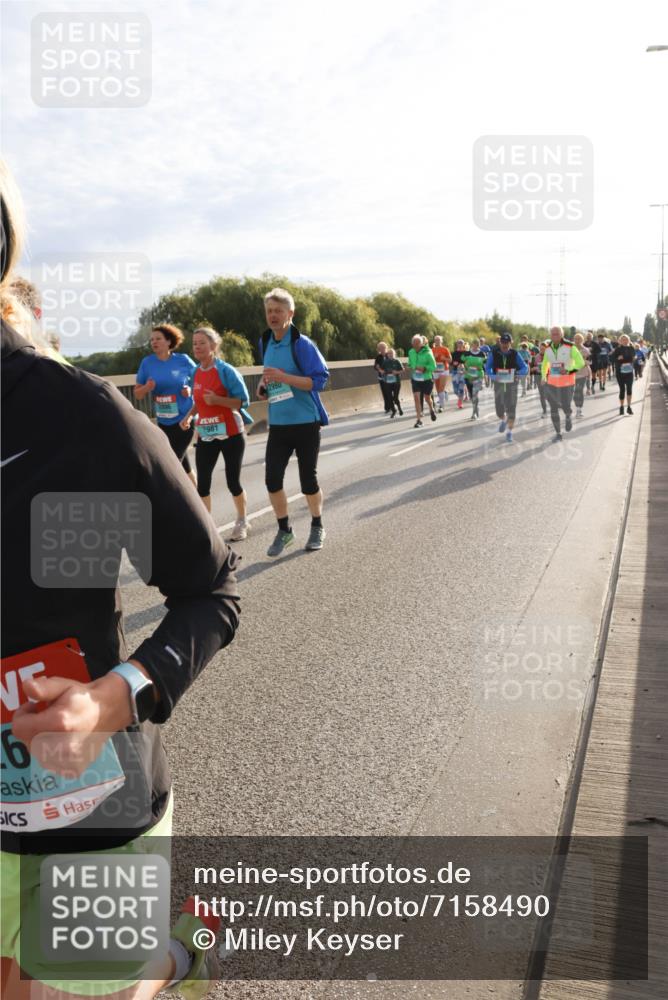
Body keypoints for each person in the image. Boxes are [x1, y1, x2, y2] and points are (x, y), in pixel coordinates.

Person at [1, 158, 238, 999]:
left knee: (91, 987)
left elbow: (208, 594)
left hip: (85, 789)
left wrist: (111, 697)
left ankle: (178, 955)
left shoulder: (77, 416)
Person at [257, 287, 330, 555]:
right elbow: (270, 377)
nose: (273, 316)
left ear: (290, 313)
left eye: (278, 311)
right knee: (272, 480)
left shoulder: (302, 344)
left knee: (307, 481)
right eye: (269, 311)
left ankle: (317, 524)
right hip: (278, 424)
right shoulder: (265, 341)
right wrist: (264, 386)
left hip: (305, 422)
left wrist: (284, 377)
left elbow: (320, 380)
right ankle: (285, 530)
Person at [181, 326, 252, 540]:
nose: (197, 347)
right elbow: (199, 401)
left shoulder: (226, 371)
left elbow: (243, 401)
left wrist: (219, 400)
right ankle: (207, 527)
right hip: (206, 434)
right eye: (194, 343)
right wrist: (188, 416)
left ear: (213, 346)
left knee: (233, 481)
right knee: (203, 483)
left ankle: (242, 521)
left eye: (202, 343)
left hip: (231, 432)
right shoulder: (194, 372)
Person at [134, 324, 198, 486]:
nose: (154, 342)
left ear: (169, 342)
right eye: (152, 340)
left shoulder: (182, 360)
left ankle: (178, 506)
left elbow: (200, 381)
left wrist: (189, 390)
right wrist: (147, 387)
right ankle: (199, 501)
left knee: (171, 464)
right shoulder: (147, 363)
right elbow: (137, 394)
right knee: (185, 468)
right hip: (163, 422)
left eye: (158, 339)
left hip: (184, 420)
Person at [541, 326, 585, 442]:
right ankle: (558, 433)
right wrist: (543, 376)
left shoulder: (570, 347)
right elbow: (545, 364)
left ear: (562, 334)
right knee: (553, 408)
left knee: (566, 405)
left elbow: (580, 363)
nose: (555, 336)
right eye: (553, 334)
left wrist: (569, 371)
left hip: (567, 383)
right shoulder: (548, 348)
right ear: (550, 335)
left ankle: (568, 415)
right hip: (551, 383)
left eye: (557, 333)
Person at [485, 333, 528, 442]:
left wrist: (519, 373)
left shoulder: (515, 354)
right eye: (503, 342)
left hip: (512, 385)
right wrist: (493, 376)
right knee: (499, 411)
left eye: (507, 343)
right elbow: (488, 367)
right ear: (500, 343)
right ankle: (503, 420)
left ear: (510, 343)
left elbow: (524, 367)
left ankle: (509, 432)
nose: (504, 345)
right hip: (499, 385)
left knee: (512, 410)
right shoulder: (494, 353)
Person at [407, 334, 437, 427]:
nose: (415, 346)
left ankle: (431, 409)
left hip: (426, 378)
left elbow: (433, 366)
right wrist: (410, 367)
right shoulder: (411, 352)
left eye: (417, 343)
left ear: (421, 344)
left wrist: (424, 368)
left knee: (427, 398)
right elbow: (410, 363)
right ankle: (419, 420)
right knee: (416, 398)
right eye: (414, 344)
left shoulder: (428, 352)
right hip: (416, 379)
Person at [610, 334, 637, 415]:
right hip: (620, 372)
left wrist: (634, 359)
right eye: (623, 339)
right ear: (620, 341)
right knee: (622, 390)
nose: (625, 341)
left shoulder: (631, 348)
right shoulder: (617, 349)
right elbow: (612, 359)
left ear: (628, 340)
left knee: (629, 389)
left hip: (629, 372)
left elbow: (634, 358)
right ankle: (621, 407)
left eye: (626, 339)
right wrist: (617, 358)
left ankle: (629, 407)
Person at [461, 338, 486, 419]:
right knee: (472, 396)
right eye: (474, 344)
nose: (475, 346)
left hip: (478, 375)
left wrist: (481, 371)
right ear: (472, 345)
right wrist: (464, 369)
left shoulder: (482, 354)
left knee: (475, 394)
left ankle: (474, 413)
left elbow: (485, 364)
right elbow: (461, 361)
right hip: (468, 376)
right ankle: (476, 408)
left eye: (477, 344)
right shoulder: (467, 353)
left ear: (479, 345)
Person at [381, 347, 404, 417]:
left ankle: (399, 408)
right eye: (389, 353)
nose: (390, 355)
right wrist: (383, 372)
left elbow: (403, 370)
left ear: (394, 354)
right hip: (388, 382)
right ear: (387, 355)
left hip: (396, 382)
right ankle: (394, 410)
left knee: (395, 397)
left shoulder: (397, 361)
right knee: (389, 397)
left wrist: (396, 372)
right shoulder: (385, 362)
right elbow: (382, 370)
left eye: (392, 353)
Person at [431, 335, 452, 411]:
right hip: (436, 370)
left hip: (444, 370)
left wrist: (444, 358)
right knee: (438, 389)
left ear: (441, 341)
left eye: (438, 340)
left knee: (441, 387)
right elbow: (429, 361)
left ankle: (441, 406)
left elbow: (450, 360)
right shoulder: (432, 350)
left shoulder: (445, 349)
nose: (437, 341)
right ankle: (444, 394)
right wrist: (434, 357)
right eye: (436, 340)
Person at [573, 332, 590, 419]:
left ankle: (579, 409)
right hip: (572, 374)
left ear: (582, 340)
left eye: (579, 339)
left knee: (579, 390)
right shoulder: (570, 349)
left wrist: (585, 362)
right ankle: (577, 406)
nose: (577, 340)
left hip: (582, 373)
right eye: (576, 339)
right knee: (575, 393)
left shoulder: (586, 350)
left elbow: (589, 362)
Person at [373, 341, 391, 413]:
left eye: (384, 348)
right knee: (384, 392)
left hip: (390, 377)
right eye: (380, 348)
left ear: (386, 348)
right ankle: (387, 407)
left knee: (389, 391)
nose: (382, 349)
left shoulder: (389, 355)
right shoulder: (378, 357)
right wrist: (378, 369)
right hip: (381, 378)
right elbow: (375, 366)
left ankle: (391, 405)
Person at [531, 342, 548, 417]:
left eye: (544, 349)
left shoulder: (550, 357)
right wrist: (534, 368)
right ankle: (544, 411)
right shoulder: (535, 357)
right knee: (542, 394)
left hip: (548, 376)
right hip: (538, 376)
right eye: (541, 349)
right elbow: (531, 369)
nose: (542, 350)